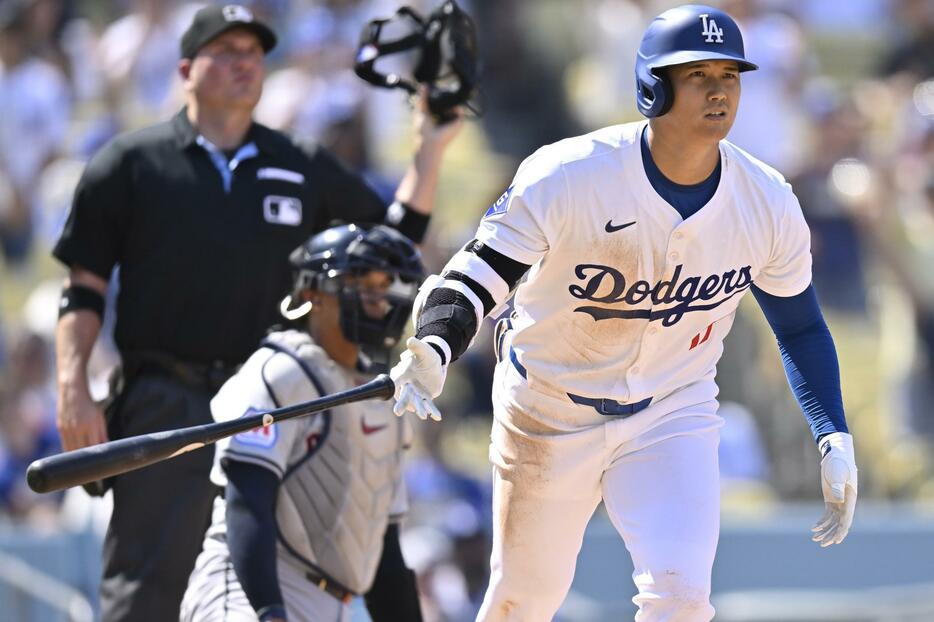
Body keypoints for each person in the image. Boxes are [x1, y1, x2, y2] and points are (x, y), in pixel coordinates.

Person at [389, 5, 858, 621]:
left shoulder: (767, 200)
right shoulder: (569, 174)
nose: (719, 91)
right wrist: (433, 346)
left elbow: (799, 326)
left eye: (730, 75)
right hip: (549, 406)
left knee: (683, 598)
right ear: (651, 86)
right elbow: (479, 274)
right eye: (697, 75)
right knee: (520, 602)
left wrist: (833, 432)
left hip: (672, 407)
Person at [52, 5, 461, 621]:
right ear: (186, 68)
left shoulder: (298, 162)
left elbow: (390, 241)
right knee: (146, 590)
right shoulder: (131, 163)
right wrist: (72, 385)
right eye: (227, 51)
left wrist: (427, 153)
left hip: (275, 401)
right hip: (166, 398)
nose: (245, 63)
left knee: (263, 580)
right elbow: (82, 287)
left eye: (255, 52)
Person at [180, 223, 425, 622]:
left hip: (337, 606)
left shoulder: (387, 396)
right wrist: (268, 611)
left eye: (386, 286)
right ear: (312, 293)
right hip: (250, 590)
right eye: (362, 283)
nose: (378, 300)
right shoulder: (279, 371)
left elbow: (385, 552)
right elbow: (248, 500)